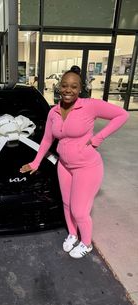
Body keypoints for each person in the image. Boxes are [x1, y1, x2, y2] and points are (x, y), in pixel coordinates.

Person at [20, 68, 129, 259]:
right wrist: (36, 162)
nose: (68, 90)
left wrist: (98, 138)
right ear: (59, 87)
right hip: (64, 166)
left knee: (79, 210)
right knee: (67, 204)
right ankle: (73, 234)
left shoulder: (89, 106)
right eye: (64, 85)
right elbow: (47, 140)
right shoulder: (53, 111)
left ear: (80, 89)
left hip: (87, 167)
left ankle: (86, 244)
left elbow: (122, 115)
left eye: (74, 86)